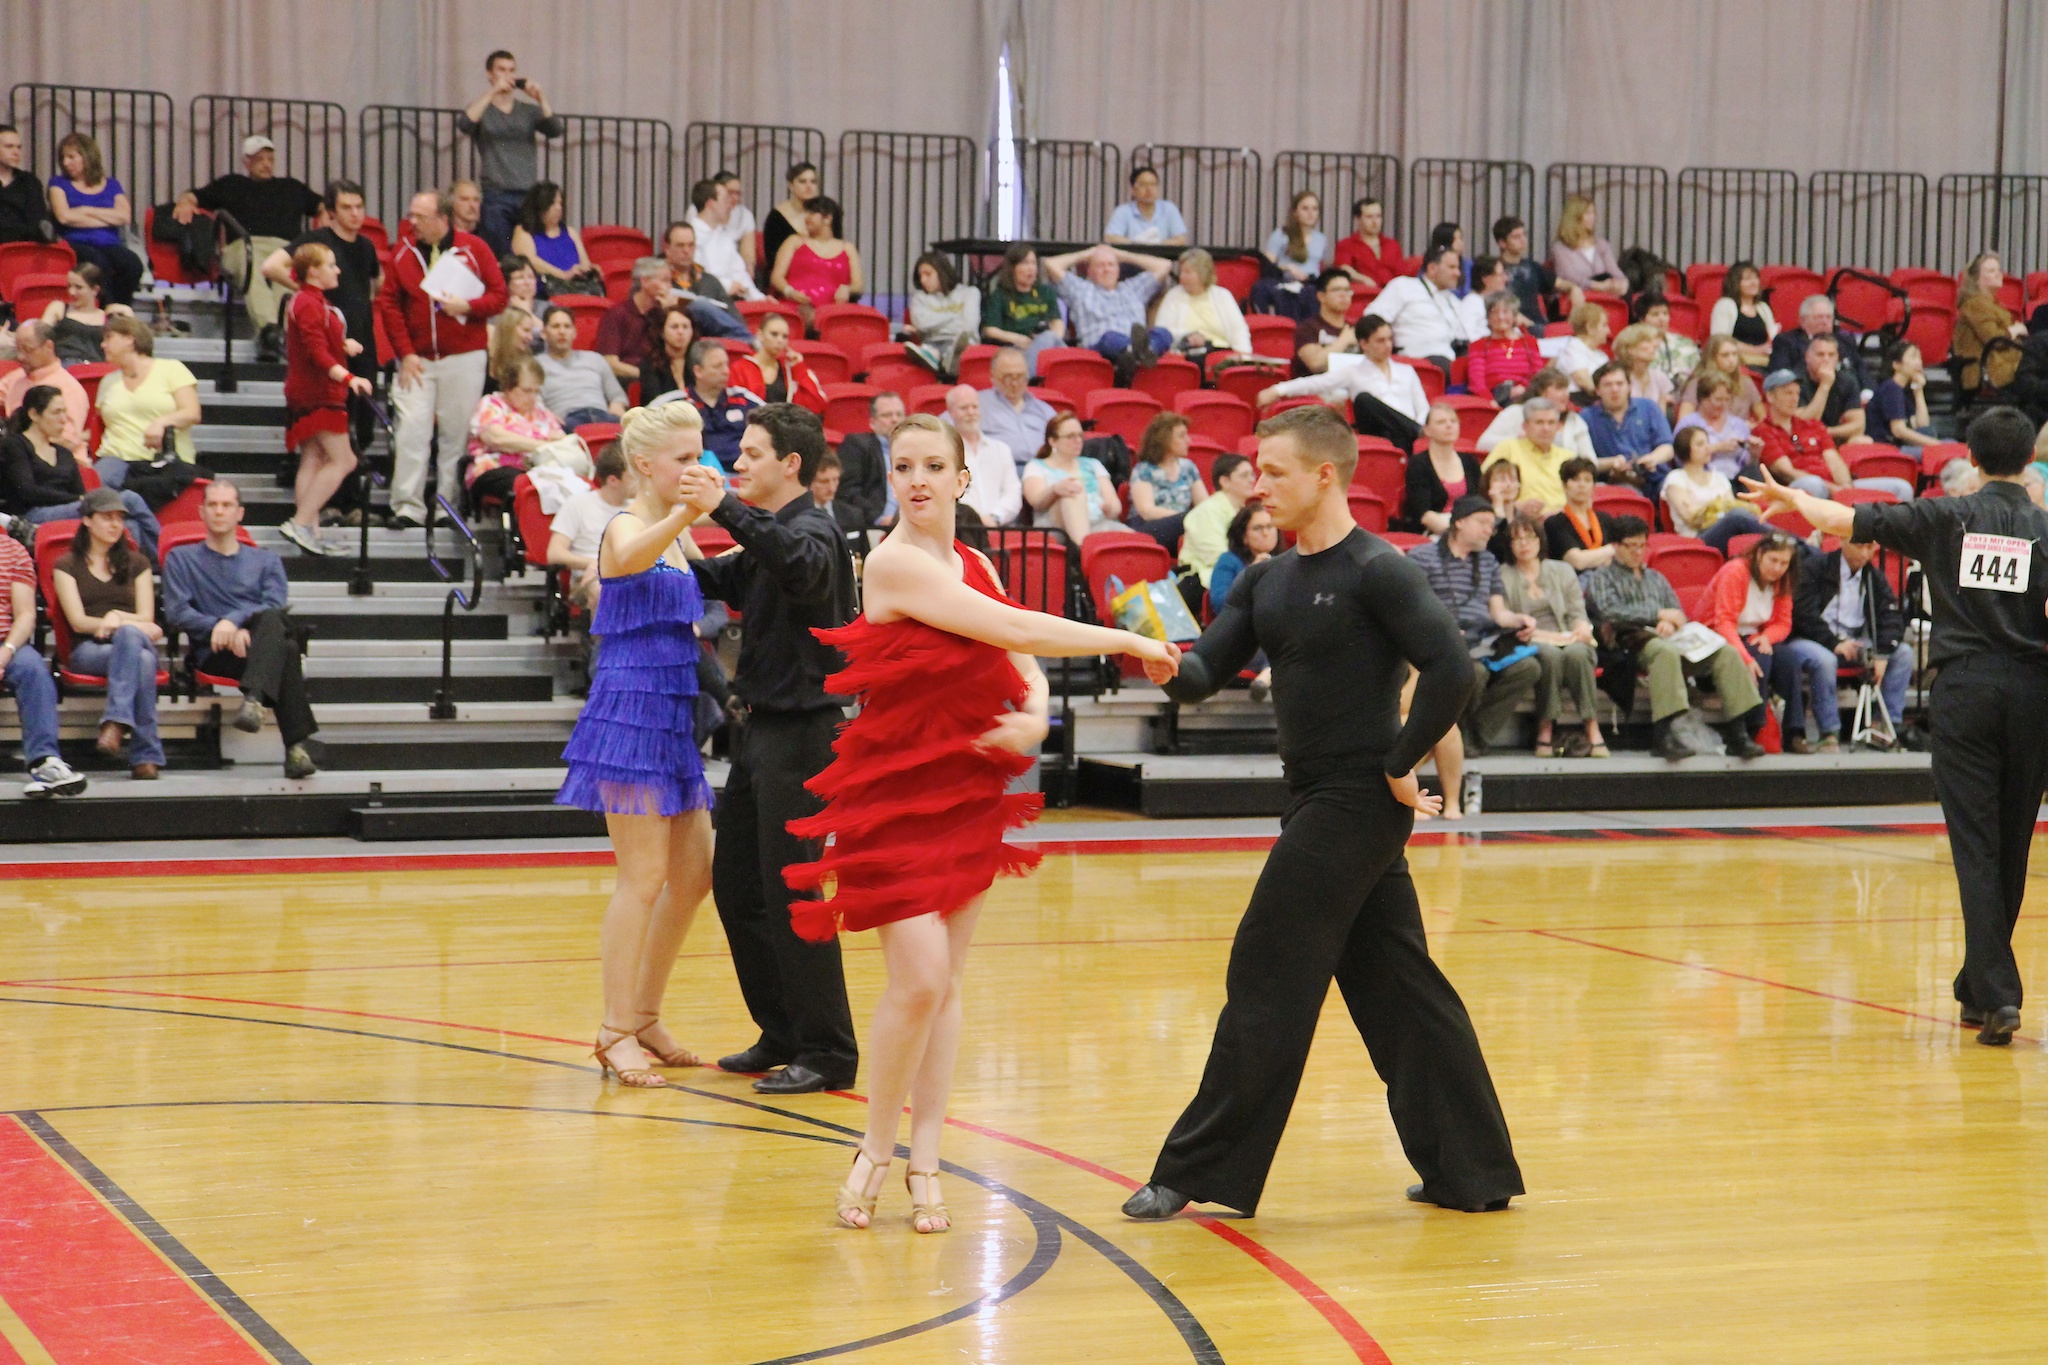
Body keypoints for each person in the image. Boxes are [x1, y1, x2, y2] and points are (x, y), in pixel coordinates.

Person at [1121, 403, 1522, 1223]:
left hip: (1356, 800)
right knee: (1399, 987)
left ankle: (1195, 1167)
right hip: (1315, 798)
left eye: (1274, 472)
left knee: (1266, 966)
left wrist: (1399, 762)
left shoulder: (1378, 569)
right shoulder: (1268, 579)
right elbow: (1202, 673)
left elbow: (1453, 669)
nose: (1259, 487)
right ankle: (1470, 1168)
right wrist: (1156, 658)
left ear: (1325, 474)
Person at [781, 412, 1173, 1232]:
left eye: (934, 465)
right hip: (891, 795)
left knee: (948, 983)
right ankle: (874, 1147)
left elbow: (1022, 665)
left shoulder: (977, 562)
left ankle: (926, 1158)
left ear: (963, 480)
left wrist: (1033, 714)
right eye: (903, 466)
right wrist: (1125, 639)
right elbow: (1017, 627)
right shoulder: (892, 563)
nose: (917, 479)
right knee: (920, 978)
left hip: (964, 790)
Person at [1742, 408, 2048, 1043]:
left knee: (1976, 844)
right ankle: (1978, 986)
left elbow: (1844, 520)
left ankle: (1996, 994)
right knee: (2012, 841)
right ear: (2030, 460)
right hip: (2032, 692)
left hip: (1965, 690)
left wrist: (1793, 498)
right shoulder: (2045, 529)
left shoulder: (1945, 515)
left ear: (1971, 456)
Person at [674, 404, 861, 1095]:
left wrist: (722, 506)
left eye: (752, 453)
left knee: (793, 892)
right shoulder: (771, 533)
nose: (738, 462)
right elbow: (720, 579)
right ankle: (783, 1030)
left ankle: (829, 1050)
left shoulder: (814, 531)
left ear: (792, 464)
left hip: (803, 735)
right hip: (760, 733)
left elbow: (794, 566)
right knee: (739, 887)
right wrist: (659, 526)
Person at [553, 403, 717, 1087]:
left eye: (699, 455)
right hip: (629, 716)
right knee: (642, 878)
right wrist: (687, 514)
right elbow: (625, 558)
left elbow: (721, 575)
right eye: (684, 458)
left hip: (674, 717)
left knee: (696, 875)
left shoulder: (681, 533)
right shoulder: (625, 523)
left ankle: (645, 1014)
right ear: (645, 464)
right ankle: (614, 1029)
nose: (696, 467)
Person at [160, 480, 317, 776]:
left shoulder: (266, 560)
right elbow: (177, 613)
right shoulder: (181, 559)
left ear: (240, 513)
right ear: (202, 512)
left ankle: (255, 700)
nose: (219, 511)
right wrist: (219, 627)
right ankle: (295, 746)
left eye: (227, 505)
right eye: (213, 505)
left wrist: (234, 621)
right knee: (286, 647)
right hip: (216, 652)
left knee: (275, 623)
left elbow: (274, 605)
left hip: (259, 643)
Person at [1581, 516, 1767, 760]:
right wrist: (1657, 615)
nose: (1638, 552)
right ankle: (1663, 734)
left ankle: (1738, 732)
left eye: (1642, 545)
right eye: (1631, 546)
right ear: (1615, 546)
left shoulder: (1656, 578)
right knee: (1663, 651)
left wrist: (1671, 621)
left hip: (1669, 638)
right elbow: (1609, 611)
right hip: (1628, 642)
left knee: (1725, 652)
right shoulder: (1601, 578)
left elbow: (1677, 613)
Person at [375, 189, 508, 530]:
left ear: (442, 219)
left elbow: (499, 296)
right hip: (417, 359)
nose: (412, 222)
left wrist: (468, 306)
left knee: (456, 435)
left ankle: (447, 506)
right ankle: (407, 506)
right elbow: (390, 305)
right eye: (412, 215)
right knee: (411, 430)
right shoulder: (403, 251)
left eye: (420, 217)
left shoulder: (475, 249)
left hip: (464, 357)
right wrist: (405, 353)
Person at [1408, 496, 1541, 754]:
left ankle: (1476, 734)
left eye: (1492, 525)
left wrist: (1520, 620)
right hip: (1441, 640)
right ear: (1459, 522)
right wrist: (1442, 630)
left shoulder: (1488, 561)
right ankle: (1459, 735)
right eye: (1482, 523)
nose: (1489, 530)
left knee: (1528, 668)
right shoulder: (1422, 556)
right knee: (1474, 672)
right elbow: (1413, 608)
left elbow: (1499, 613)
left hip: (1481, 639)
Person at [173, 135, 322, 359]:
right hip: (243, 246)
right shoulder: (231, 184)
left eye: (270, 159)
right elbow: (193, 196)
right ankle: (271, 331)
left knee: (289, 269)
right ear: (246, 162)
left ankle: (275, 335)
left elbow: (324, 205)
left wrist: (326, 215)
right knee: (250, 261)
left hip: (285, 249)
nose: (266, 164)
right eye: (260, 159)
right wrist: (185, 202)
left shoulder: (292, 187)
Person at [51, 488, 163, 778]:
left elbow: (147, 616)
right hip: (88, 649)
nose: (115, 524)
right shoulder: (66, 565)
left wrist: (117, 618)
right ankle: (145, 755)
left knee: (130, 638)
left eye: (120, 518)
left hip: (130, 641)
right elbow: (78, 622)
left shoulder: (138, 563)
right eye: (107, 517)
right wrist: (119, 622)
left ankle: (116, 722)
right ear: (87, 520)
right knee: (143, 660)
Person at [266, 180, 382, 446]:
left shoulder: (366, 246)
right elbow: (271, 266)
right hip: (330, 340)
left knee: (365, 417)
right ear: (331, 212)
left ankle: (355, 462)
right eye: (346, 207)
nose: (355, 213)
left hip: (362, 338)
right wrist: (309, 292)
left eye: (359, 206)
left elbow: (377, 282)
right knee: (331, 423)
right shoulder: (317, 241)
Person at [281, 242, 372, 555]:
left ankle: (310, 530)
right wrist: (349, 378)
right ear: (313, 271)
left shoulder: (309, 301)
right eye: (331, 265)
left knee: (314, 457)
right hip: (318, 392)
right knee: (344, 460)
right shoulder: (309, 303)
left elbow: (316, 341)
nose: (338, 270)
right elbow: (316, 353)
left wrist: (342, 345)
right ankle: (301, 523)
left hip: (308, 390)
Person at [1785, 536, 1912, 751]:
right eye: (1859, 546)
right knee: (1824, 660)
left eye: (1869, 547)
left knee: (1904, 653)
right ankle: (1829, 732)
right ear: (1842, 542)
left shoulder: (1874, 577)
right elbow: (1802, 613)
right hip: (1811, 639)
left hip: (1854, 641)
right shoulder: (1816, 567)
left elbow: (1891, 617)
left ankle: (1885, 724)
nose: (1864, 553)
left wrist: (1882, 652)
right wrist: (1833, 642)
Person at [2, 384, 159, 557]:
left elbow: (79, 493)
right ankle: (164, 557)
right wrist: (77, 500)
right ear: (34, 414)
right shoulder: (15, 445)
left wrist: (79, 499)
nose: (64, 419)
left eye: (64, 412)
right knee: (129, 498)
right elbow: (27, 491)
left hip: (69, 509)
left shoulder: (64, 453)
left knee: (131, 525)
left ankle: (139, 568)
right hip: (32, 514)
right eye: (56, 412)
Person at [1501, 512, 1606, 757]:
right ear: (1510, 545)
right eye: (1517, 539)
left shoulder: (1562, 570)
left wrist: (1581, 626)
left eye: (1530, 537)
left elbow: (1576, 611)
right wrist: (1540, 634)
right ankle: (1545, 727)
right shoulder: (1503, 575)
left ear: (1540, 540)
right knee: (1550, 655)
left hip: (1567, 635)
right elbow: (1508, 620)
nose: (1524, 544)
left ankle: (1592, 726)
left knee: (1578, 653)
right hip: (1529, 639)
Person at [0, 520, 86, 798]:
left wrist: (5, 653)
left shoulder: (13, 551)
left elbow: (25, 614)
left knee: (34, 669)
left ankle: (44, 761)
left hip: (5, 643)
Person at [1258, 313, 1426, 450]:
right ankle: (1416, 431)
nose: (1388, 345)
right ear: (1364, 344)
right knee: (1363, 399)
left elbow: (1422, 407)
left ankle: (1416, 431)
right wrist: (1277, 390)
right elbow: (1316, 383)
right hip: (1381, 435)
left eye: (1389, 339)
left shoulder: (1406, 371)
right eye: (1380, 341)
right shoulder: (1353, 372)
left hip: (1410, 437)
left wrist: (1420, 427)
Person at [457, 50, 564, 254]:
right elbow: (465, 124)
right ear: (490, 74)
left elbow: (555, 130)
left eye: (512, 70)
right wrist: (492, 92)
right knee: (499, 251)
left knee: (528, 251)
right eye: (501, 70)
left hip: (527, 193)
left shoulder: (527, 110)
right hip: (496, 194)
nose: (508, 75)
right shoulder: (482, 109)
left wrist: (541, 98)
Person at [1756, 368, 1912, 501]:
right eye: (1787, 393)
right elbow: (1786, 472)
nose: (1794, 399)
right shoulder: (1763, 430)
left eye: (1797, 393)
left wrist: (1846, 488)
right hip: (1796, 489)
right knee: (1813, 485)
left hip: (1835, 485)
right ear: (1770, 396)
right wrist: (1832, 488)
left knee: (1901, 488)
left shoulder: (1812, 425)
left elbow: (1833, 459)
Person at [94, 318, 201, 500]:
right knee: (96, 490)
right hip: (116, 458)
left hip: (165, 460)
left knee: (139, 496)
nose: (103, 345)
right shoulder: (107, 382)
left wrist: (162, 422)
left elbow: (192, 413)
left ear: (130, 339)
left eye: (109, 337)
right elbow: (100, 426)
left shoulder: (172, 369)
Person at [1702, 534, 1800, 725]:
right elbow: (1724, 622)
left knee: (1788, 659)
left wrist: (1767, 637)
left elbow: (1783, 623)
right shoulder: (1735, 571)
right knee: (1759, 661)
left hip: (1752, 635)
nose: (1778, 568)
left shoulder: (1784, 580)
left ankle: (1795, 730)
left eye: (1784, 563)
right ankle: (1754, 727)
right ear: (1759, 554)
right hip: (1717, 636)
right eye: (1773, 560)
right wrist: (1746, 659)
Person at [1043, 244, 1172, 377]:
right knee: (1111, 337)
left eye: (1111, 265)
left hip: (1133, 346)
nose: (1107, 269)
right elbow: (1050, 264)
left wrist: (1123, 255)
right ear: (1089, 272)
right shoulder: (1080, 290)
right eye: (1100, 265)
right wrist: (1087, 254)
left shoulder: (1133, 289)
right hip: (1100, 350)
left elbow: (1165, 265)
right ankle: (1137, 351)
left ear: (1118, 270)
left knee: (1163, 333)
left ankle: (1143, 351)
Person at [46, 133, 143, 307]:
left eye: (71, 157)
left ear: (87, 156)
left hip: (110, 244)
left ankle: (122, 307)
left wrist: (85, 210)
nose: (66, 163)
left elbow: (124, 216)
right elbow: (64, 217)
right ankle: (107, 308)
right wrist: (108, 216)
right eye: (63, 158)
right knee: (98, 264)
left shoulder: (111, 184)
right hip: (76, 243)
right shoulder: (58, 183)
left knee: (132, 264)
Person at [467, 354, 567, 506]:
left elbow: (562, 442)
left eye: (536, 391)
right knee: (529, 484)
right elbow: (497, 438)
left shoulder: (540, 411)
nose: (533, 397)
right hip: (495, 469)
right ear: (508, 387)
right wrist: (544, 445)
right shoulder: (492, 404)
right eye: (527, 390)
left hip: (538, 471)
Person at [547, 439, 631, 608]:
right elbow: (555, 554)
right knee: (604, 588)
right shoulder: (578, 505)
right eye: (634, 476)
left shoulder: (639, 507)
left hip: (631, 572)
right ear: (613, 480)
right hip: (589, 577)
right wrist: (595, 562)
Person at [1661, 425, 1767, 551]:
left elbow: (1731, 507)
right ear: (1685, 448)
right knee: (1737, 516)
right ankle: (1781, 539)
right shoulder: (1676, 478)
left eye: (1707, 442)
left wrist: (1717, 511)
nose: (1707, 448)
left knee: (1743, 517)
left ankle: (1778, 541)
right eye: (1700, 444)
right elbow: (1690, 517)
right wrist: (1719, 509)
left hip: (1724, 531)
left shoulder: (1719, 477)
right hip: (1696, 538)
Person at [1363, 245, 1468, 372]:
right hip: (1418, 359)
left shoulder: (1454, 301)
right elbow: (1372, 318)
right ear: (1432, 268)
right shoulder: (1404, 286)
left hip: (1453, 359)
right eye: (1452, 267)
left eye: (1458, 268)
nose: (1457, 273)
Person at [1022, 412, 1119, 543]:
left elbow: (1115, 505)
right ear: (1053, 441)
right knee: (1073, 492)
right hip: (1055, 526)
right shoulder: (1036, 466)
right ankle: (1083, 547)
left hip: (1097, 522)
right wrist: (1054, 490)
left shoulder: (1094, 464)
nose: (1078, 441)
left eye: (1080, 435)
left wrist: (1110, 509)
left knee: (1133, 540)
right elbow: (1036, 501)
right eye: (1071, 436)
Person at [768, 196, 862, 329]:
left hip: (832, 313)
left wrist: (848, 289)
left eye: (812, 213)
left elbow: (858, 285)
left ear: (827, 218)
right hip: (795, 308)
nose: (806, 218)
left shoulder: (848, 248)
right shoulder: (794, 241)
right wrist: (791, 292)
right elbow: (776, 277)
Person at [1583, 361, 1675, 491]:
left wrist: (1653, 458)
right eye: (1608, 385)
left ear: (1629, 386)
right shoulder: (1587, 417)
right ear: (1598, 390)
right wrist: (1611, 463)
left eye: (1619, 384)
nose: (1615, 389)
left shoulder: (1649, 407)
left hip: (1656, 477)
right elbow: (1584, 461)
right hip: (1614, 482)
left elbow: (1667, 447)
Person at [663, 340, 757, 467]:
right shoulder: (675, 403)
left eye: (726, 365)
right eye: (718, 366)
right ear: (698, 371)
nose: (726, 371)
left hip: (743, 469)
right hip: (698, 471)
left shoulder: (743, 398)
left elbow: (774, 419)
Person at [0, 321, 90, 448]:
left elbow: (67, 441)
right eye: (18, 349)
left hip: (54, 457)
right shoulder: (15, 378)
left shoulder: (70, 388)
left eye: (27, 350)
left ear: (49, 346)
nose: (20, 357)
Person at [1125, 411, 1208, 550]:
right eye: (1181, 436)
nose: (1188, 441)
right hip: (1149, 527)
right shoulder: (1144, 469)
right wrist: (1184, 518)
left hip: (1182, 526)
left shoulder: (1188, 467)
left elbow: (1204, 505)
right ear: (1164, 440)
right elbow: (1147, 511)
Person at [1154, 248, 1253, 363]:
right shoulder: (1174, 295)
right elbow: (1162, 331)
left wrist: (1245, 358)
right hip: (1186, 352)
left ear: (1203, 274)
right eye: (1181, 272)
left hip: (1219, 352)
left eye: (1187, 272)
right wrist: (1186, 335)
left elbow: (1238, 330)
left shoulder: (1222, 296)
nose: (1181, 277)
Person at [979, 245, 1066, 374]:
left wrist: (1054, 338)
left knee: (1050, 338)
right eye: (1025, 263)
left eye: (1033, 263)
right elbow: (990, 330)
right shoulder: (1000, 295)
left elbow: (1057, 321)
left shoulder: (1046, 292)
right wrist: (1017, 339)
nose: (1031, 268)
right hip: (1015, 348)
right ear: (1013, 268)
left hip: (1046, 345)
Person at [538, 304, 627, 429]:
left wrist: (617, 405)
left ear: (574, 332)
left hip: (603, 416)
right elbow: (535, 402)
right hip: (566, 421)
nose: (562, 332)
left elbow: (617, 395)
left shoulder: (595, 359)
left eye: (567, 326)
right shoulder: (536, 365)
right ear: (544, 333)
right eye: (555, 326)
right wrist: (548, 417)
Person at [944, 384, 1021, 529]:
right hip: (961, 529)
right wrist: (973, 521)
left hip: (1000, 528)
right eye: (963, 408)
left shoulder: (1001, 449)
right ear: (951, 412)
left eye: (975, 407)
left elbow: (1013, 492)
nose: (971, 412)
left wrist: (995, 517)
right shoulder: (945, 451)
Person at [1477, 368, 1597, 460]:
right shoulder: (1515, 413)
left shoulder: (1574, 420)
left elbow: (1590, 460)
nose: (1566, 394)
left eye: (1566, 389)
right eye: (1559, 388)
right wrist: (1519, 440)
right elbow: (1483, 444)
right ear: (1541, 392)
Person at [1179, 451, 1258, 591]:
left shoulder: (1244, 512)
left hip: (1236, 574)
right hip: (1203, 581)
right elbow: (1217, 556)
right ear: (1224, 482)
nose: (1252, 480)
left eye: (1252, 475)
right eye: (1244, 475)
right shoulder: (1207, 511)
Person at [659, 219, 750, 340]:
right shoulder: (658, 280)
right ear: (667, 248)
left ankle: (748, 341)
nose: (686, 251)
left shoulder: (710, 281)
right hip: (674, 337)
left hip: (713, 341)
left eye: (691, 245)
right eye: (680, 245)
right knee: (699, 306)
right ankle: (752, 342)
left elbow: (735, 318)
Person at [1482, 396, 1574, 514]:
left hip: (1562, 519)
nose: (1546, 428)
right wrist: (1516, 506)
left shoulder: (1568, 457)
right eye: (1539, 422)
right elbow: (1484, 487)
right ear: (1525, 426)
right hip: (1518, 518)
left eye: (1551, 423)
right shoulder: (1508, 448)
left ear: (1558, 427)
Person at [1952, 251, 2028, 394]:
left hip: (2004, 365)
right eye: (1991, 271)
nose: (1999, 274)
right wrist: (2014, 330)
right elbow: (1995, 340)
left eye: (1998, 269)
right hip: (1988, 370)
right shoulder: (1975, 304)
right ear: (1976, 278)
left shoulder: (1992, 303)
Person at [510, 181, 601, 295]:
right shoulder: (524, 231)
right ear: (540, 207)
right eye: (553, 204)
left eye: (560, 204)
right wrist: (563, 275)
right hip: (544, 292)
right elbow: (529, 261)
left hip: (575, 289)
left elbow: (585, 264)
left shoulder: (570, 232)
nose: (558, 208)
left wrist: (590, 271)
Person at [1404, 403, 1484, 534]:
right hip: (1434, 532)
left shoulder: (1470, 461)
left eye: (1453, 421)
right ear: (1427, 430)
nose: (1449, 425)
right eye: (1441, 422)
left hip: (1469, 529)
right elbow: (1423, 514)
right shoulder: (1418, 464)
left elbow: (1479, 502)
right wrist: (1457, 534)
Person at [595, 258, 677, 385]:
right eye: (665, 281)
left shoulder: (663, 313)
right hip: (626, 380)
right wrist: (647, 376)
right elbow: (610, 363)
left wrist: (671, 312)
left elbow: (678, 354)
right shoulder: (617, 313)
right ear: (645, 281)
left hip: (660, 379)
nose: (670, 287)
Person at [1768, 295, 1867, 396]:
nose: (1825, 322)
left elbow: (1861, 369)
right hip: (1805, 396)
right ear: (1803, 321)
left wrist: (1867, 391)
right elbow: (1780, 376)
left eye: (1828, 317)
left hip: (1847, 395)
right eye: (1819, 317)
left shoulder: (1845, 340)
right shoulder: (1786, 342)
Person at [1492, 214, 1579, 329]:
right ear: (1502, 243)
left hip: (1539, 324)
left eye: (1524, 234)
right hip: (1512, 326)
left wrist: (1574, 289)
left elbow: (1560, 283)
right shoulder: (1494, 270)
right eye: (1516, 237)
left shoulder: (1533, 266)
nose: (1523, 240)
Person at [1672, 371, 1762, 483]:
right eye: (1718, 400)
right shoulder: (1688, 424)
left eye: (1727, 400)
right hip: (1702, 479)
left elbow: (1746, 462)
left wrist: (1753, 453)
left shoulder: (1739, 425)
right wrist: (1716, 448)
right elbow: (1680, 458)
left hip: (1738, 478)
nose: (1723, 405)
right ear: (1703, 398)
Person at [729, 313, 827, 415]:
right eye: (774, 334)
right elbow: (736, 408)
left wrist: (800, 370)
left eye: (784, 337)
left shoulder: (789, 369)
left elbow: (816, 406)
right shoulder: (740, 368)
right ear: (760, 335)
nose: (780, 340)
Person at [902, 252, 981, 378]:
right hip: (933, 342)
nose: (923, 280)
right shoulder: (919, 298)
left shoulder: (970, 293)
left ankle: (949, 358)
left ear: (942, 271)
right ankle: (944, 360)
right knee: (931, 348)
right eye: (920, 276)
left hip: (964, 343)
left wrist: (935, 325)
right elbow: (922, 324)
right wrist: (955, 317)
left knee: (962, 341)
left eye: (928, 274)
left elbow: (969, 326)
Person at [688, 174, 764, 303]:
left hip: (734, 297)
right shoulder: (692, 235)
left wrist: (759, 298)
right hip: (706, 299)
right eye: (725, 200)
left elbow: (740, 272)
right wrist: (729, 285)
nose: (729, 205)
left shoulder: (723, 234)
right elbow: (698, 275)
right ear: (711, 204)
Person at [837, 390, 905, 531]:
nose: (895, 420)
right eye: (887, 415)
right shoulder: (857, 445)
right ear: (873, 422)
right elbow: (848, 491)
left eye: (899, 415)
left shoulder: (913, 449)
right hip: (873, 526)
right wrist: (877, 518)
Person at [1254, 191, 1329, 318]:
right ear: (1295, 212)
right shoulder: (1281, 234)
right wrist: (1288, 267)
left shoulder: (1321, 239)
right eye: (1305, 208)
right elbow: (1268, 264)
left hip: (1311, 284)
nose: (1311, 213)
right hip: (1285, 282)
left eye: (1315, 209)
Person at [977, 347, 1057, 465]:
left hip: (1043, 468)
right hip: (999, 468)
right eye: (1008, 377)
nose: (1015, 383)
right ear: (993, 377)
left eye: (1020, 377)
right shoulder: (977, 405)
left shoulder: (1044, 410)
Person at [40, 264, 132, 365]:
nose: (71, 292)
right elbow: (38, 335)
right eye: (69, 286)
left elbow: (130, 343)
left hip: (97, 367)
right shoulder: (59, 308)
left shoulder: (107, 317)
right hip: (66, 365)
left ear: (95, 290)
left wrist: (127, 311)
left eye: (78, 287)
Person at [1465, 289, 1544, 405]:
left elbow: (1538, 375)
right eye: (1495, 312)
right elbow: (1477, 383)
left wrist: (1524, 389)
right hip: (1494, 400)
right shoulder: (1478, 346)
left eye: (1505, 312)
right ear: (1488, 317)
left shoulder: (1530, 343)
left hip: (1526, 398)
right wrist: (1490, 401)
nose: (1500, 317)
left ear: (1514, 316)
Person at [1793, 332, 1869, 447]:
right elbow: (1805, 425)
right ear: (1807, 357)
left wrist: (1825, 432)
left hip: (1833, 438)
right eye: (1820, 355)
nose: (1826, 359)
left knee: (1862, 441)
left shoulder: (1847, 381)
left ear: (1837, 358)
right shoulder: (1796, 381)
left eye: (1831, 355)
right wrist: (1825, 385)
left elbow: (1858, 426)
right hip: (1801, 441)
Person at [1544, 457, 1617, 570]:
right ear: (1564, 485)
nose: (1581, 485)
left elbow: (1620, 556)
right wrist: (1611, 549)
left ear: (1593, 487)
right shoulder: (1555, 522)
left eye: (1587, 480)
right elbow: (1577, 561)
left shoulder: (1605, 519)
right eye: (1575, 479)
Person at [1676, 334, 1765, 423]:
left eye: (1734, 354)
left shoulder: (1745, 382)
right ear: (1712, 357)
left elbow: (1762, 417)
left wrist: (1749, 427)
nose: (1732, 360)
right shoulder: (1697, 383)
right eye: (1725, 355)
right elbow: (1684, 420)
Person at [1548, 195, 1626, 296]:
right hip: (1576, 296)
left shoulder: (1601, 244)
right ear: (1575, 217)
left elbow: (1614, 270)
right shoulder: (1560, 248)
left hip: (1604, 295)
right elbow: (1569, 277)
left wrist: (1623, 283)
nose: (1593, 217)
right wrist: (1597, 285)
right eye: (1588, 213)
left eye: (1593, 213)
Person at [1866, 340, 1937, 449]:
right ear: (1896, 365)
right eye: (1913, 357)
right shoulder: (1891, 388)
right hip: (1887, 448)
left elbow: (1922, 425)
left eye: (1920, 358)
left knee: (1930, 432)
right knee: (1946, 449)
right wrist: (1937, 445)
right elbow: (1898, 430)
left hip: (1901, 445)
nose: (1919, 362)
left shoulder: (1904, 390)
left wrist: (1918, 391)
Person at [1291, 269, 1360, 376]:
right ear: (1321, 296)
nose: (1343, 295)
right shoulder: (1308, 328)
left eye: (1347, 290)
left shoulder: (1356, 328)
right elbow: (1315, 364)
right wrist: (1343, 341)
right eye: (1336, 290)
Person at [1711, 262, 1780, 368]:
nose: (1753, 283)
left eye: (1755, 278)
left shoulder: (1763, 307)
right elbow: (1720, 341)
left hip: (1764, 361)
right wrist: (1755, 350)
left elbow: (1772, 336)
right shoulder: (1725, 305)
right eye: (1747, 279)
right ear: (1735, 283)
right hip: (1736, 364)